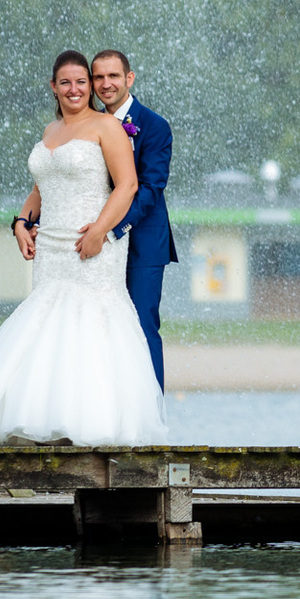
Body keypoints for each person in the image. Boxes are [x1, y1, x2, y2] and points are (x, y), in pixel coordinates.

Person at [0, 50, 166, 446]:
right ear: (53, 86)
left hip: (93, 242)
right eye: (66, 82)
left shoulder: (107, 126)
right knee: (46, 324)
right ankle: (39, 419)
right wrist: (21, 222)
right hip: (51, 245)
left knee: (90, 322)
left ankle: (92, 422)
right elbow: (41, 186)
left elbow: (130, 186)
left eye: (82, 82)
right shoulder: (50, 132)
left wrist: (101, 231)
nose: (76, 89)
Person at [89, 49, 177, 388]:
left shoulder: (154, 126)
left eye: (114, 76)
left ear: (130, 78)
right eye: (99, 77)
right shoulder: (89, 123)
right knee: (101, 325)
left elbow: (151, 188)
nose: (106, 84)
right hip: (97, 242)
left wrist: (112, 229)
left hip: (142, 243)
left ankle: (152, 411)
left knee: (141, 326)